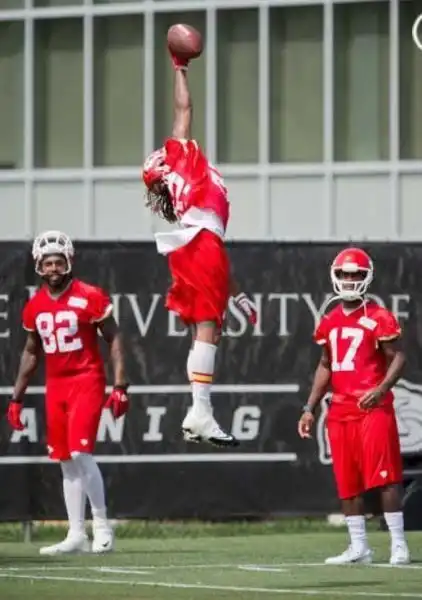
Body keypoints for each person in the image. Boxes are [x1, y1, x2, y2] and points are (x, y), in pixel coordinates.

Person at [141, 46, 256, 447]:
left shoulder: (188, 187)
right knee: (207, 328)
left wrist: (238, 295)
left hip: (196, 246)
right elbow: (183, 109)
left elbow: (214, 247)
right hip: (200, 245)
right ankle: (201, 412)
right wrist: (180, 68)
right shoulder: (181, 159)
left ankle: (198, 411)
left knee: (205, 331)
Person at [7, 230, 129, 556]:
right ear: (39, 265)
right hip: (56, 384)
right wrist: (16, 397)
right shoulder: (35, 305)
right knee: (64, 460)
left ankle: (102, 526)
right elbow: (31, 352)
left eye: (58, 262)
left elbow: (114, 338)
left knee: (80, 453)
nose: (53, 268)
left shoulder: (90, 295)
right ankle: (76, 533)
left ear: (69, 262)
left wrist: (120, 385)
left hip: (86, 378)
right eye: (48, 263)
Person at [298, 247, 410, 566]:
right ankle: (359, 546)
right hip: (340, 410)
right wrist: (309, 407)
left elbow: (399, 357)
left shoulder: (379, 316)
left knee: (385, 477)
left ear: (366, 277)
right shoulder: (329, 321)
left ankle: (399, 544)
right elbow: (325, 365)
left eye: (355, 274)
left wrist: (381, 388)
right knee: (348, 481)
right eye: (345, 274)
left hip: (373, 407)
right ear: (335, 277)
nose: (349, 280)